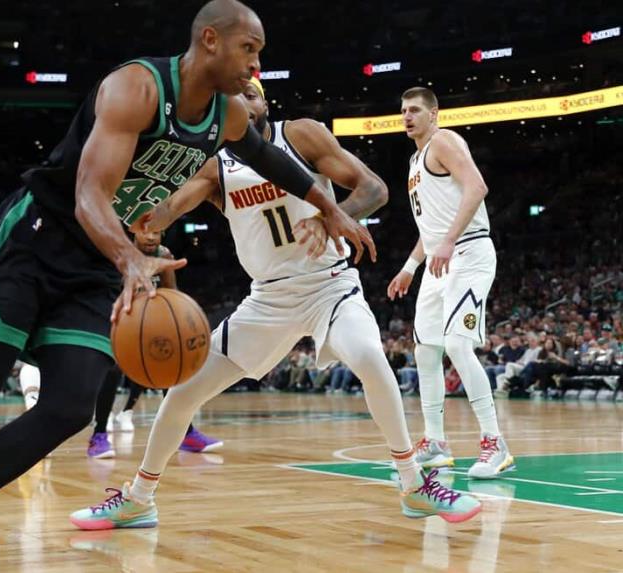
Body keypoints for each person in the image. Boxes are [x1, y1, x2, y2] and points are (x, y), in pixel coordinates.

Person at [0, 2, 374, 571]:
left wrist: (330, 208)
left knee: (69, 408)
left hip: (97, 270)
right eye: (249, 49)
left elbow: (268, 157)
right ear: (209, 40)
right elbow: (88, 197)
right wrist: (130, 260)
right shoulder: (138, 88)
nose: (255, 65)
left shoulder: (226, 115)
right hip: (36, 242)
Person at [70, 76, 480, 531]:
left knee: (368, 355)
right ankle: (138, 499)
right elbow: (165, 211)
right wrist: (143, 219)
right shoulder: (217, 167)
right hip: (267, 299)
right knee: (184, 391)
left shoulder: (300, 135)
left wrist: (331, 218)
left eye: (250, 95)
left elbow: (374, 189)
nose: (243, 103)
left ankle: (413, 483)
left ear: (264, 103)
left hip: (328, 286)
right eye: (233, 99)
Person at [387, 86, 513, 479]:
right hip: (439, 260)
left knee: (457, 345)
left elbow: (477, 187)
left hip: (469, 252)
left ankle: (495, 443)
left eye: (414, 110)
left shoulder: (444, 141)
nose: (407, 117)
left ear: (434, 113)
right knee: (426, 351)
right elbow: (431, 227)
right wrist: (410, 267)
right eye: (403, 111)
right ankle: (436, 443)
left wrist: (448, 241)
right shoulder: (415, 160)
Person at [88, 228, 223, 459]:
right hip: (122, 317)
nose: (151, 237)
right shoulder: (121, 253)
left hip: (152, 323)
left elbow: (172, 293)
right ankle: (98, 435)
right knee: (113, 371)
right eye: (145, 232)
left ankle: (186, 434)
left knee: (171, 370)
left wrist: (180, 322)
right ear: (134, 233)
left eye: (156, 232)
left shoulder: (164, 255)